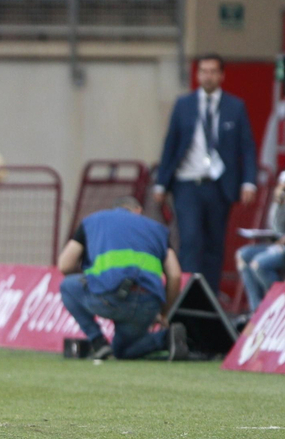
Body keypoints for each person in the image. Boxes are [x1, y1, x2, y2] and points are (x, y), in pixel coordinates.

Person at [153, 54, 258, 293]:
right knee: (190, 239)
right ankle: (186, 295)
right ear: (197, 74)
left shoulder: (235, 106)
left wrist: (249, 182)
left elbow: (247, 147)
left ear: (221, 75)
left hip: (219, 184)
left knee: (214, 244)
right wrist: (161, 183)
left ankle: (208, 299)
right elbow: (170, 144)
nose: (207, 76)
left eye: (212, 71)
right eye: (203, 71)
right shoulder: (184, 105)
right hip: (187, 183)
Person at [59, 198, 186, 361]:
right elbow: (175, 275)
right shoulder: (158, 229)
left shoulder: (92, 222)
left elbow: (64, 265)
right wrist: (163, 313)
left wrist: (91, 274)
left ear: (114, 209)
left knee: (68, 287)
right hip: (147, 304)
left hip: (108, 298)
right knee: (124, 351)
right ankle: (166, 338)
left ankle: (98, 343)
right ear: (138, 210)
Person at [239, 174, 285, 313]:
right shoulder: (281, 202)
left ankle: (276, 303)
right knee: (243, 255)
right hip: (279, 246)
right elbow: (276, 228)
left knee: (259, 264)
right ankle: (256, 310)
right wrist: (278, 203)